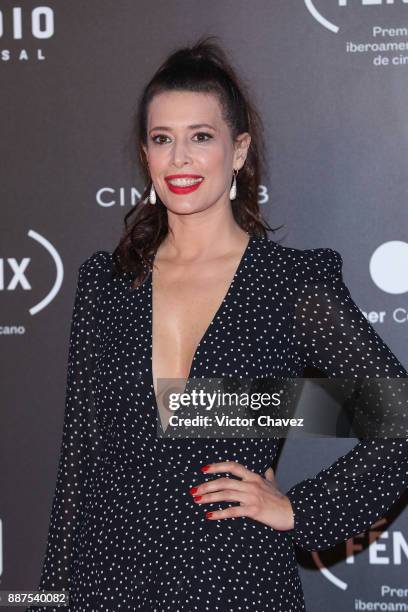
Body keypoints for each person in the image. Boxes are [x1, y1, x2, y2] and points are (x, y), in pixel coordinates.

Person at [27, 36, 407, 612]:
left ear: (238, 150)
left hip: (232, 575)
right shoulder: (104, 284)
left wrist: (301, 510)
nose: (179, 159)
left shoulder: (290, 284)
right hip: (107, 578)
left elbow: (396, 419)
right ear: (146, 154)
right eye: (162, 139)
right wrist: (49, 600)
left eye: (200, 136)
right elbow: (80, 463)